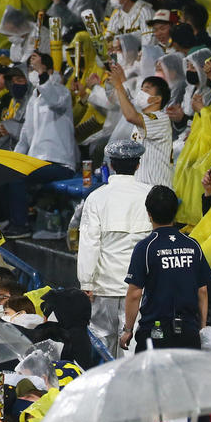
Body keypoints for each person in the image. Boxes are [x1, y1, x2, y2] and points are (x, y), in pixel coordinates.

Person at [78, 139, 155, 353]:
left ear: (111, 165)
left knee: (102, 347)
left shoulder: (97, 198)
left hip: (104, 286)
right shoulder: (151, 194)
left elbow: (89, 243)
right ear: (138, 165)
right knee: (134, 347)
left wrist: (86, 282)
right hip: (139, 288)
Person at [121, 185, 211, 351]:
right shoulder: (193, 245)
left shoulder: (145, 248)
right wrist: (201, 328)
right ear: (175, 211)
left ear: (149, 214)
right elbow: (202, 291)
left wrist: (128, 330)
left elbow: (134, 294)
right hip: (188, 333)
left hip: (155, 334)